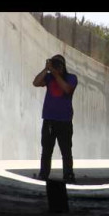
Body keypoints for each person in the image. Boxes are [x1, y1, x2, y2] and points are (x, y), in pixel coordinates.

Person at [33, 55, 78, 184]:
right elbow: (35, 82)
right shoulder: (48, 77)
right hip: (49, 119)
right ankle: (44, 173)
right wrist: (46, 69)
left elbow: (67, 89)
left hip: (64, 120)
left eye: (58, 65)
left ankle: (68, 174)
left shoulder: (71, 78)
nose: (56, 67)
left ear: (63, 66)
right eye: (54, 64)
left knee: (66, 150)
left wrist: (55, 74)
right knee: (46, 150)